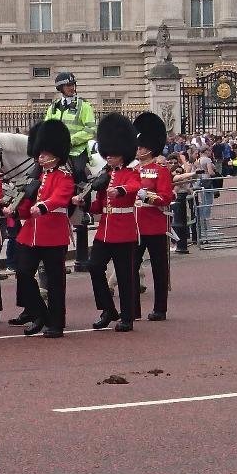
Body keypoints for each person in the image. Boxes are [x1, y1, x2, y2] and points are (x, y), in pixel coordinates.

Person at [11, 120, 74, 338]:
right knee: (23, 273)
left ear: (56, 154)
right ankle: (40, 313)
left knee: (55, 281)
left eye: (45, 154)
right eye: (40, 153)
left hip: (53, 233)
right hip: (31, 233)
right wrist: (15, 209)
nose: (40, 157)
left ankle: (56, 322)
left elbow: (60, 198)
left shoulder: (65, 177)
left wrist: (43, 207)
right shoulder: (37, 177)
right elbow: (27, 202)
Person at [86, 114, 143, 333]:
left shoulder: (131, 172)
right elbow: (98, 205)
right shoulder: (105, 174)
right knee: (94, 267)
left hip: (124, 229)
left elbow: (135, 186)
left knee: (125, 275)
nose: (109, 156)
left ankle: (127, 317)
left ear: (123, 154)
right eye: (107, 153)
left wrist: (120, 190)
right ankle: (108, 309)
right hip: (105, 230)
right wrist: (84, 203)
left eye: (113, 153)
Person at [44, 72, 96, 270]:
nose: (71, 88)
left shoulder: (84, 106)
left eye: (73, 85)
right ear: (60, 88)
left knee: (80, 174)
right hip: (57, 151)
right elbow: (48, 127)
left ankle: (85, 211)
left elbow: (90, 130)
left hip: (76, 150)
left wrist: (71, 140)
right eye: (68, 86)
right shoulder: (53, 107)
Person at [132, 113, 175, 322]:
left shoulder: (160, 171)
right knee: (131, 268)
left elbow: (166, 197)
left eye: (141, 147)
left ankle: (160, 309)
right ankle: (133, 308)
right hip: (135, 226)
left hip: (155, 225)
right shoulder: (132, 170)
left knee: (159, 270)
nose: (138, 149)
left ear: (149, 149)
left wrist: (147, 197)